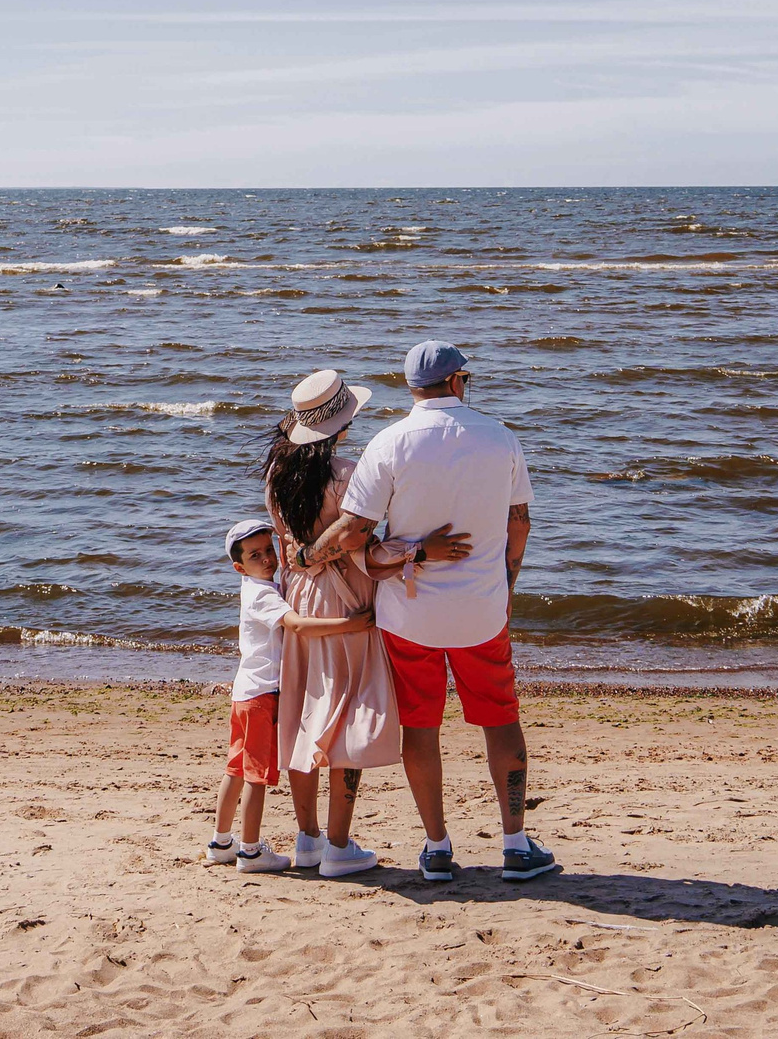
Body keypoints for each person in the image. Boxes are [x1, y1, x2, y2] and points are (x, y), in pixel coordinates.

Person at [302, 339, 555, 885]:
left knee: (421, 724)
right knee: (500, 719)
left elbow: (354, 532)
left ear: (412, 388)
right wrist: (506, 584)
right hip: (481, 613)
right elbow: (520, 523)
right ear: (460, 381)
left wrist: (304, 557)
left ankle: (437, 847)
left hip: (408, 616)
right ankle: (515, 844)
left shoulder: (389, 443)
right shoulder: (500, 437)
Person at [261, 368, 472, 877]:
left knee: (306, 712)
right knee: (347, 717)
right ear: (342, 425)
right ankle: (338, 845)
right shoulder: (348, 475)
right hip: (347, 597)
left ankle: (307, 838)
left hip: (302, 598)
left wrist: (307, 557)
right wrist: (422, 551)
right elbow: (362, 545)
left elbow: (290, 550)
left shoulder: (276, 477)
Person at [208, 516, 374, 875]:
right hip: (263, 694)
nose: (267, 558)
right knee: (256, 774)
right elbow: (297, 625)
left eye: (270, 550)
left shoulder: (261, 586)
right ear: (239, 566)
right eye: (256, 555)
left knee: (236, 767)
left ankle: (221, 842)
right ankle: (250, 851)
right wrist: (349, 624)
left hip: (245, 692)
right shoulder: (263, 594)